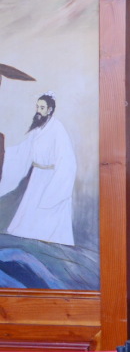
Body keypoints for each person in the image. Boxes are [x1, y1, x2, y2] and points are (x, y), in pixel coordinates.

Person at [0, 93, 77, 247]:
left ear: (49, 110)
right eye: (37, 107)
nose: (38, 110)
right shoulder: (37, 129)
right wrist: (5, 153)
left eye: (42, 107)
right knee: (30, 214)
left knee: (48, 212)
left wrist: (57, 185)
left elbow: (67, 159)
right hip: (37, 176)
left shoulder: (57, 129)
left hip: (50, 177)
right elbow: (25, 150)